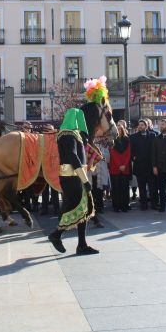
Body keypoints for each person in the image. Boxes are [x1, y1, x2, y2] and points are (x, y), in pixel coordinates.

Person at [48, 108, 98, 255]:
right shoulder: (68, 135)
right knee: (77, 208)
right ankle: (57, 235)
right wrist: (85, 179)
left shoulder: (69, 134)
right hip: (73, 178)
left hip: (73, 177)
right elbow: (73, 157)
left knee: (81, 209)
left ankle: (81, 244)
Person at [130, 119, 156, 210]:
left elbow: (155, 149)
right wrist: (134, 157)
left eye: (142, 125)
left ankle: (154, 204)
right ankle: (143, 205)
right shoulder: (133, 137)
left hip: (150, 166)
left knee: (152, 187)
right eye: (139, 125)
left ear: (146, 126)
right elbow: (131, 150)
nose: (140, 126)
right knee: (141, 187)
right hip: (139, 166)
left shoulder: (152, 135)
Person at [110, 123, 131, 212]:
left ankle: (125, 205)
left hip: (125, 168)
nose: (118, 130)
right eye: (117, 129)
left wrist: (124, 165)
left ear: (122, 130)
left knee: (125, 188)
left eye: (120, 129)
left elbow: (128, 153)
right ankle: (116, 206)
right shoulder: (112, 141)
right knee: (116, 188)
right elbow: (113, 154)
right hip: (115, 167)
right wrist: (119, 165)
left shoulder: (127, 140)